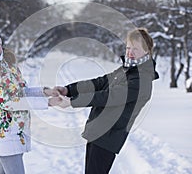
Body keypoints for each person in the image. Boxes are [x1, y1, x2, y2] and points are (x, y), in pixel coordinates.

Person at [49, 28, 159, 174]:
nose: (130, 53)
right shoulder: (126, 70)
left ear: (147, 51)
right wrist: (69, 90)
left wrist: (72, 102)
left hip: (108, 136)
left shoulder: (142, 79)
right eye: (128, 48)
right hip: (98, 132)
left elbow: (108, 96)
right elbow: (100, 83)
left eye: (135, 49)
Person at [0, 29, 57, 174]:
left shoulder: (8, 66)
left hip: (19, 128)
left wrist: (46, 92)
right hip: (4, 133)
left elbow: (22, 91)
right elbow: (10, 102)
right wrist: (48, 103)